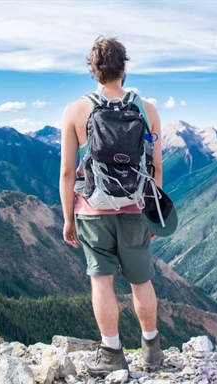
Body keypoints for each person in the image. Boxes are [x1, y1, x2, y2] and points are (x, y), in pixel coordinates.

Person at [59, 35, 163, 376]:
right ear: (124, 67)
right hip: (135, 209)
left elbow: (65, 172)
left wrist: (68, 219)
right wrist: (154, 215)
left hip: (91, 211)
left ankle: (112, 354)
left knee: (101, 282)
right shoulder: (147, 110)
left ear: (93, 70)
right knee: (141, 281)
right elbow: (155, 168)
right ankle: (152, 352)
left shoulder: (75, 111)